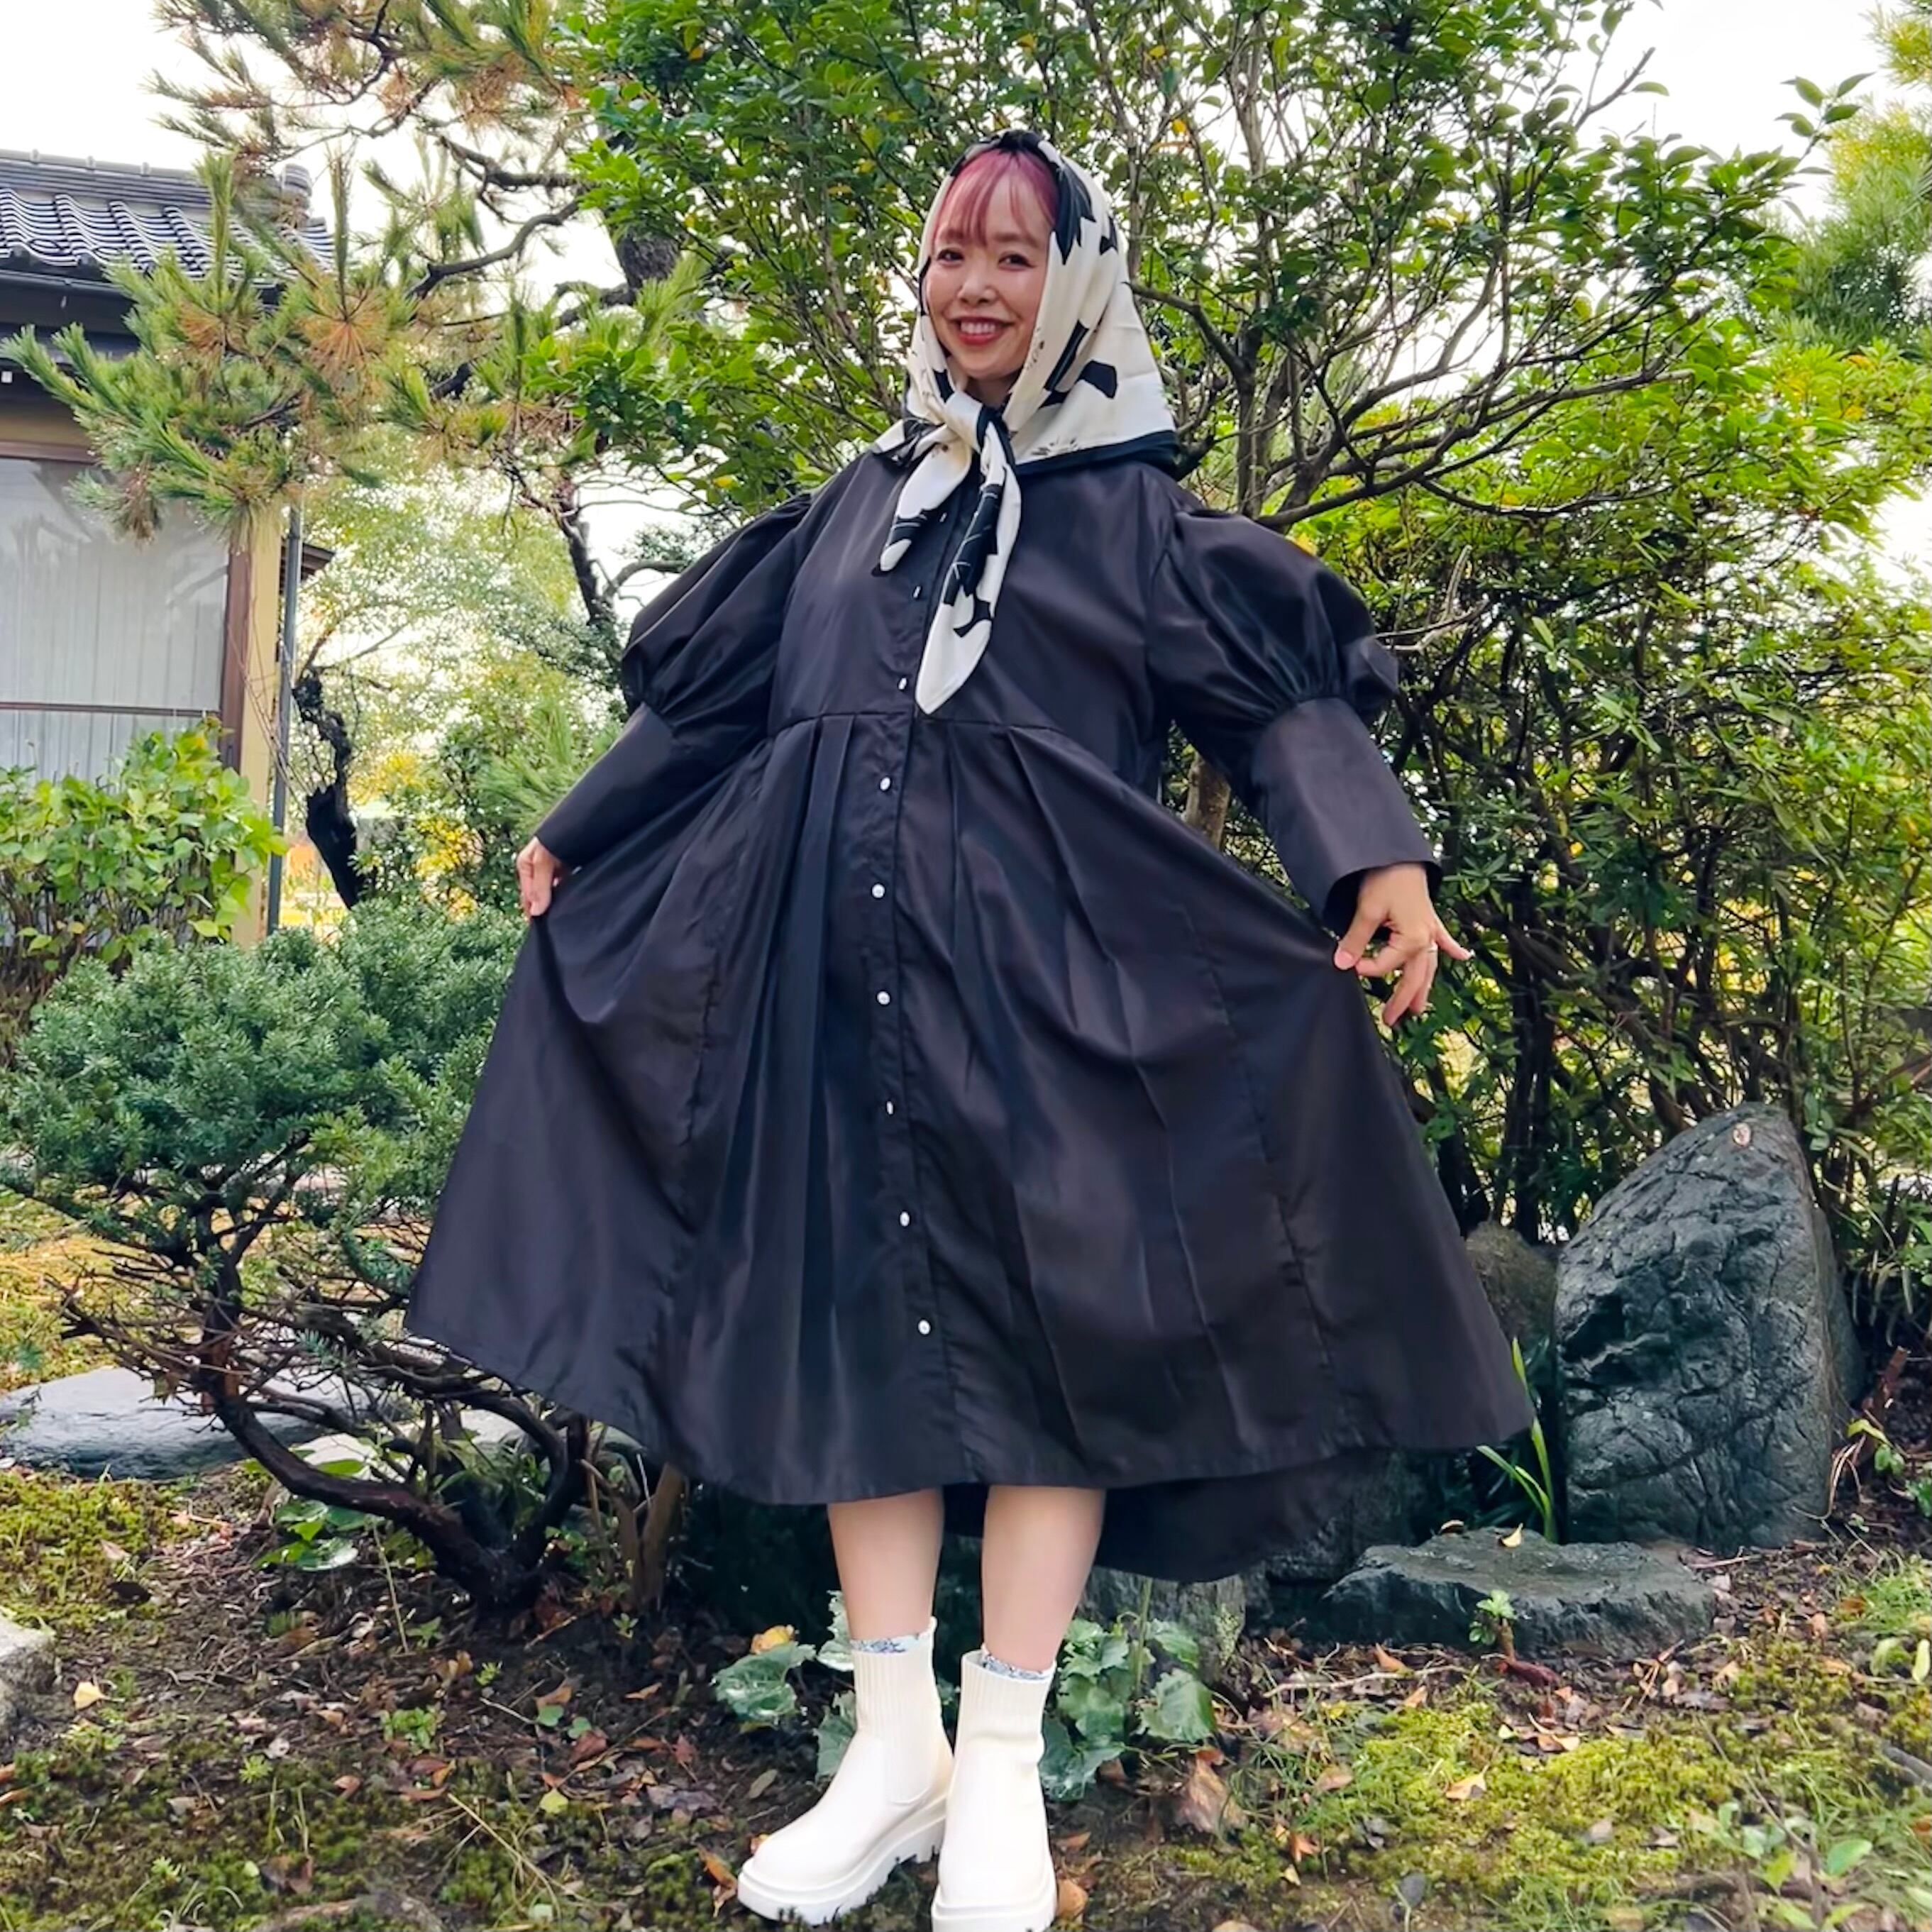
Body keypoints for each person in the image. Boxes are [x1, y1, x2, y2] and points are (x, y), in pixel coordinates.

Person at [406, 128, 1535, 1932]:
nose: (976, 287)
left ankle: (1000, 1761)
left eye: (1016, 255)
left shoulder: (1132, 517)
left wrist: (1374, 856)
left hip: (1054, 1006)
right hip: (830, 999)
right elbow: (713, 721)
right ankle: (892, 1748)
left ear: (1077, 281)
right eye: (950, 254)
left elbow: (1274, 711)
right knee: (853, 1341)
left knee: (1051, 1357)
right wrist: (576, 830)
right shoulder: (861, 505)